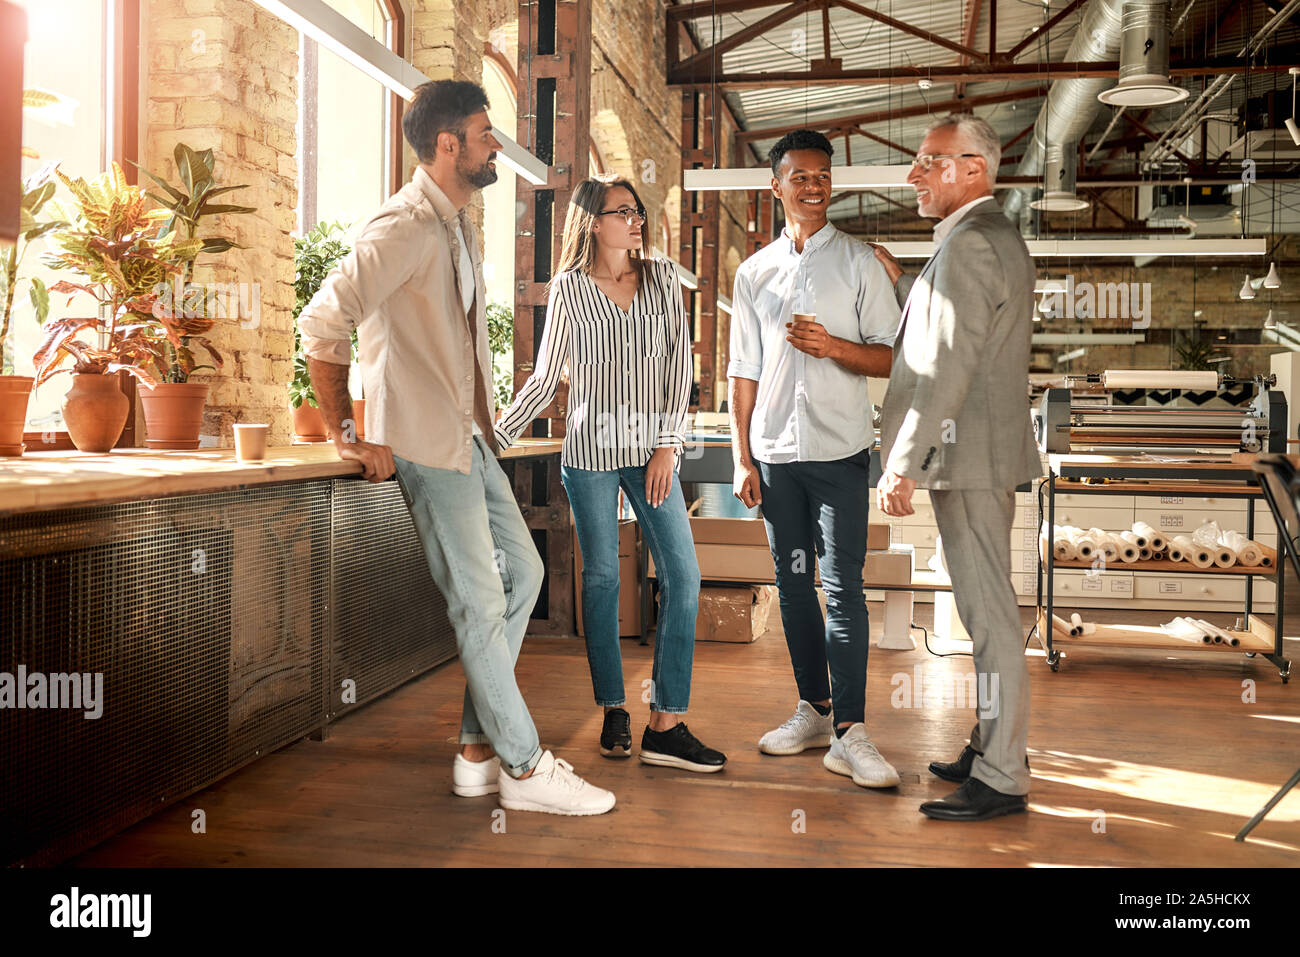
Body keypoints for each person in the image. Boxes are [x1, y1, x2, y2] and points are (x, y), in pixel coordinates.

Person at [298, 79, 615, 816]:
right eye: (484, 132)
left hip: (468, 438)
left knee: (525, 573)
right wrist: (349, 431)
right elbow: (323, 321)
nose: (494, 143)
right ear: (449, 145)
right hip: (423, 443)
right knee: (478, 602)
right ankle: (525, 764)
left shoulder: (456, 223)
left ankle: (478, 750)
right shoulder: (401, 226)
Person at [495, 174, 726, 773]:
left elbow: (681, 376)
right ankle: (614, 708)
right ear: (594, 222)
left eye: (638, 211)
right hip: (590, 455)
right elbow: (547, 379)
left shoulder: (662, 282)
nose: (635, 220)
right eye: (623, 212)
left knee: (684, 572)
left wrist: (669, 448)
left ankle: (667, 720)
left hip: (653, 450)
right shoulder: (570, 288)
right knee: (600, 581)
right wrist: (493, 436)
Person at [874, 113, 1042, 821]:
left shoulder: (974, 244)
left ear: (972, 168)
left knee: (991, 614)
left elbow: (947, 369)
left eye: (928, 161)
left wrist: (904, 463)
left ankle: (1003, 773)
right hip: (975, 455)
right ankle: (991, 743)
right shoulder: (977, 240)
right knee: (984, 609)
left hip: (967, 456)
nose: (914, 173)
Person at [727, 129, 901, 789]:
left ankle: (851, 732)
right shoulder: (752, 273)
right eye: (799, 176)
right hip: (774, 458)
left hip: (840, 453)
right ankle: (812, 708)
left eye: (823, 175)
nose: (813, 185)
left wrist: (833, 347)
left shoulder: (859, 262)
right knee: (794, 586)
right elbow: (742, 370)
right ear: (776, 187)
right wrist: (742, 456)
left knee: (843, 588)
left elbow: (892, 356)